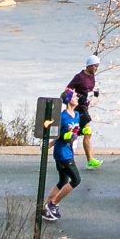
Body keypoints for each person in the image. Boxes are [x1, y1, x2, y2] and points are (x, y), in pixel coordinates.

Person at [43, 87, 85, 220]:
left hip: (69, 152)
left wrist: (77, 135)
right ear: (68, 100)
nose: (77, 98)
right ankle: (53, 204)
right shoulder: (62, 116)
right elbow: (56, 133)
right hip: (62, 153)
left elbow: (75, 132)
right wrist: (54, 142)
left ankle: (45, 208)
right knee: (76, 180)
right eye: (74, 97)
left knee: (63, 180)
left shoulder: (77, 115)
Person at [64, 54, 102, 168]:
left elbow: (89, 89)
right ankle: (68, 158)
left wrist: (94, 93)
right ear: (89, 66)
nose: (96, 68)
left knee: (86, 132)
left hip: (85, 107)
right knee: (75, 133)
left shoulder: (92, 76)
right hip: (77, 108)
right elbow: (67, 90)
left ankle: (89, 160)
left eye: (97, 66)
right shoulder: (79, 77)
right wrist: (77, 96)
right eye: (95, 66)